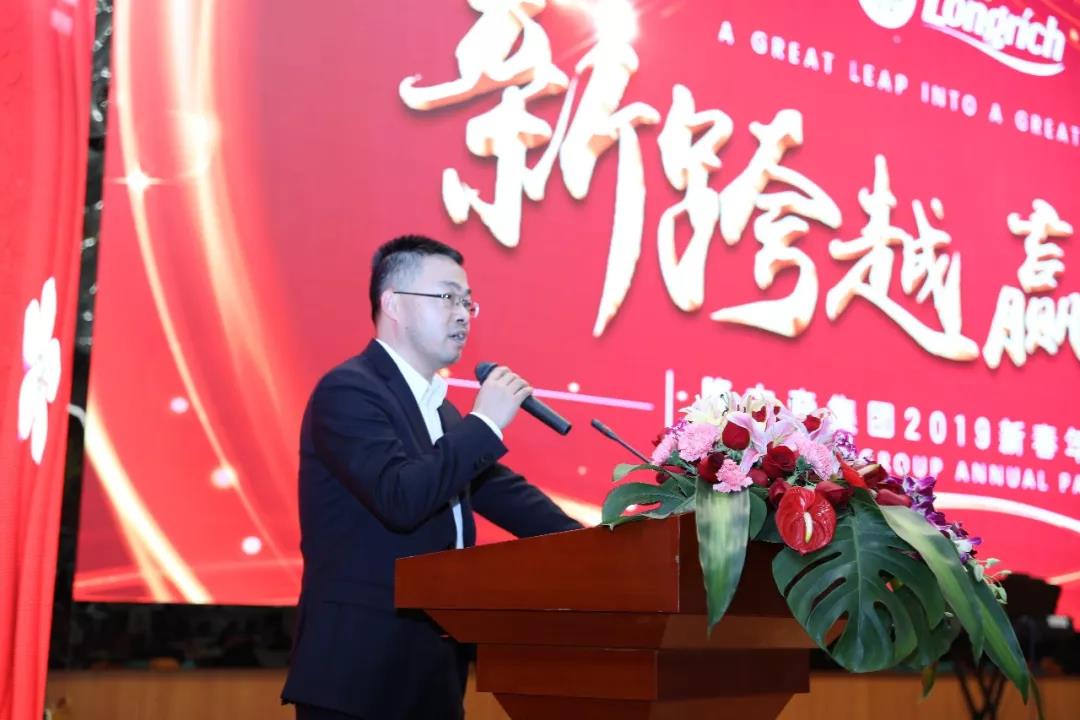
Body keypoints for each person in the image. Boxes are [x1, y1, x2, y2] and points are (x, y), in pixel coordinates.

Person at [281, 235, 583, 719]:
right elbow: (400, 498)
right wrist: (485, 423)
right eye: (447, 297)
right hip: (359, 676)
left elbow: (503, 492)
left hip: (433, 670)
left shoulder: (439, 411)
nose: (462, 314)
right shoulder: (348, 391)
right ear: (393, 304)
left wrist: (595, 541)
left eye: (467, 302)